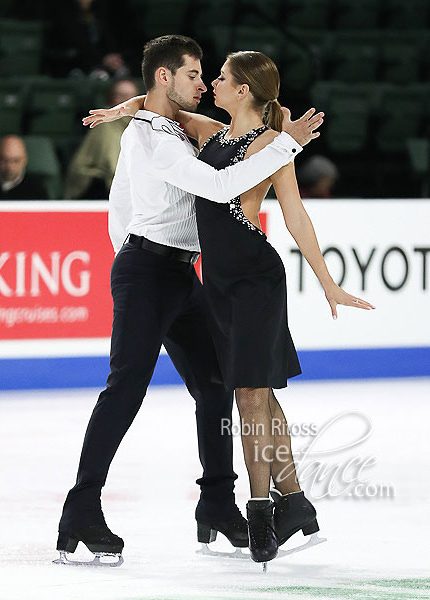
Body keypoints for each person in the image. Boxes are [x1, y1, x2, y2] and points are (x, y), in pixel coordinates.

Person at [84, 49, 375, 567]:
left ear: (243, 90)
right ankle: (296, 503)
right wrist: (116, 111)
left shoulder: (270, 146)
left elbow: (297, 217)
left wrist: (329, 284)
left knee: (249, 395)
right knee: (254, 392)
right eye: (205, 75)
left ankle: (260, 512)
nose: (211, 82)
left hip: (253, 280)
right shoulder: (212, 133)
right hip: (213, 281)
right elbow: (158, 106)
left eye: (218, 77)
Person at [64, 79, 139, 199]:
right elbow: (112, 166)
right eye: (121, 96)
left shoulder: (143, 123)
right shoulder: (103, 125)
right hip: (103, 188)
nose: (126, 101)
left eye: (131, 97)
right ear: (111, 98)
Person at [0, 136, 48, 200]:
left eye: (16, 161)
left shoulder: (36, 185)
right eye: (5, 160)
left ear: (25, 160)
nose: (10, 167)